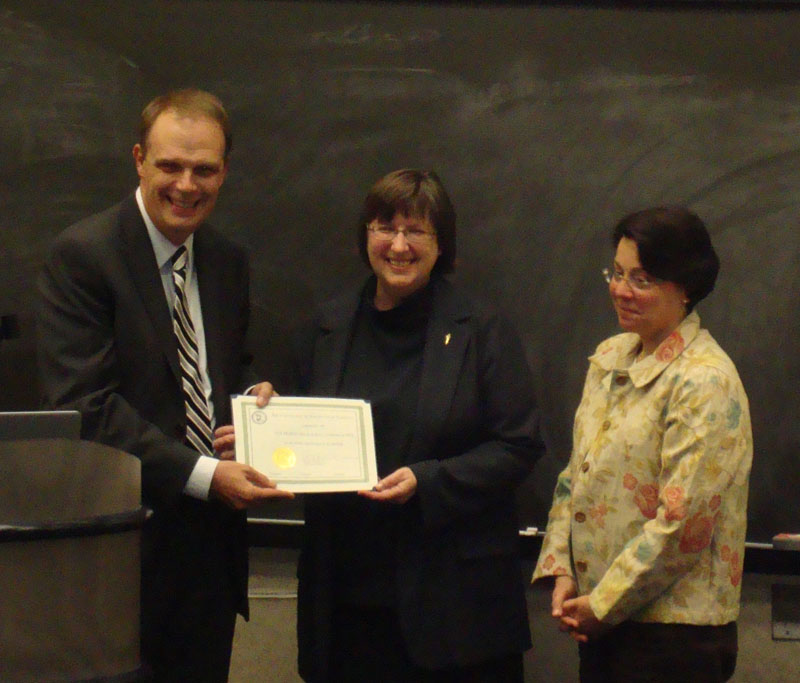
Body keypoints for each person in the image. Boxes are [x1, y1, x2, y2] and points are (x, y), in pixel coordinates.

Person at [36, 89, 293, 682]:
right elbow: (84, 407)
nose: (186, 184)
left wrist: (254, 406)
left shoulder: (227, 260)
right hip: (122, 553)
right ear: (138, 160)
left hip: (210, 555)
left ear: (224, 171)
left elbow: (217, 369)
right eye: (170, 166)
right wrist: (205, 476)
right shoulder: (84, 256)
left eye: (204, 169)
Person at [291, 169, 544, 681]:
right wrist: (258, 423)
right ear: (366, 235)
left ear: (440, 243)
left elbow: (518, 444)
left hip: (458, 614)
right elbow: (295, 433)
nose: (399, 245)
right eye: (385, 227)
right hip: (346, 609)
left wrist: (426, 482)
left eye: (417, 231)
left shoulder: (482, 330)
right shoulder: (325, 328)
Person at [532, 206, 753, 682]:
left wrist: (603, 602)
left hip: (673, 636)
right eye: (617, 273)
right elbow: (576, 476)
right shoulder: (611, 357)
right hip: (602, 620)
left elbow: (683, 526)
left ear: (686, 287)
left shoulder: (704, 380)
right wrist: (563, 569)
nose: (620, 290)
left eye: (642, 279)